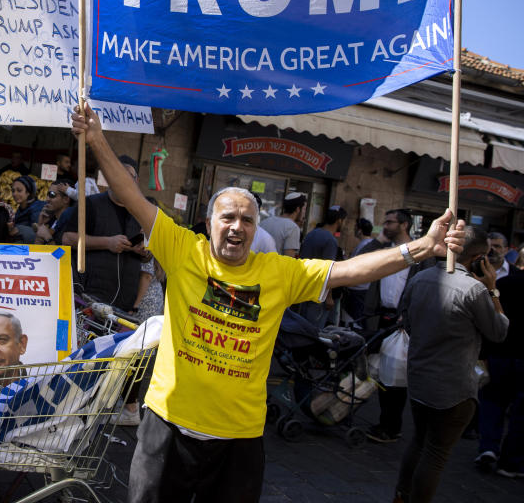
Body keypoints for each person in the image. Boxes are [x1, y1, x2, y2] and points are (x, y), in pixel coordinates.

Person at [70, 101, 466, 503]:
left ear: (257, 229)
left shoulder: (279, 272)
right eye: (227, 217)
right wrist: (97, 138)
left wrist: (421, 247)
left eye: (247, 220)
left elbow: (353, 271)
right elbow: (130, 194)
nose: (236, 226)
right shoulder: (182, 248)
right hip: (168, 424)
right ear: (209, 224)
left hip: (238, 435)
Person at [393, 227, 507, 503]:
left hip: (420, 380)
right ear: (479, 258)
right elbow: (499, 330)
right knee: (435, 453)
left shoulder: (421, 278)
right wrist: (493, 290)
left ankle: (400, 496)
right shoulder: (475, 290)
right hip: (454, 389)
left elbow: (405, 320)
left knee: (419, 442)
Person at [363, 209, 431, 444]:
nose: (385, 225)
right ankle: (386, 422)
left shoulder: (420, 255)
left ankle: (391, 425)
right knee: (380, 373)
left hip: (403, 323)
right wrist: (380, 240)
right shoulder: (384, 249)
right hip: (381, 318)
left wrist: (410, 317)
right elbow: (360, 256)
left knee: (395, 376)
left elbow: (426, 289)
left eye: (390, 222)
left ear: (404, 225)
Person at [62, 154, 145, 312]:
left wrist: (144, 250)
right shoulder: (91, 204)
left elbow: (147, 258)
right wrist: (107, 242)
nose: (123, 181)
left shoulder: (140, 211)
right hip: (91, 299)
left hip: (124, 305)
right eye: (118, 175)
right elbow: (67, 238)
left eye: (129, 177)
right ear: (109, 178)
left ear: (137, 181)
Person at [476, 258, 524, 478]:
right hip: (513, 356)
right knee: (519, 412)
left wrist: (484, 353)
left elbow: (491, 318)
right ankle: (511, 461)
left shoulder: (504, 284)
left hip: (500, 353)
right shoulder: (503, 284)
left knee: (493, 402)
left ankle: (488, 448)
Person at [260, 192, 306, 256]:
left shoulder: (265, 221)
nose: (304, 213)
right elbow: (289, 258)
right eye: (304, 209)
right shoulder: (293, 228)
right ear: (298, 209)